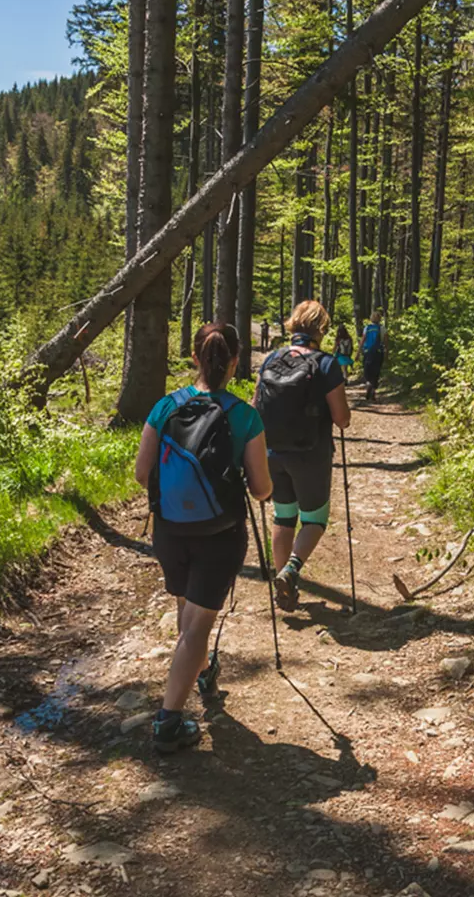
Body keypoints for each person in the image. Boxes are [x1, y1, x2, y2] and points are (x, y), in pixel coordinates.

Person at [135, 322, 272, 753]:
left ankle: (200, 666)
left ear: (194, 358)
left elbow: (142, 474)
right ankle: (168, 721)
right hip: (220, 533)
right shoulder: (244, 416)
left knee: (186, 610)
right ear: (234, 362)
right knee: (197, 625)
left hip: (170, 530)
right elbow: (261, 489)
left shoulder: (164, 407)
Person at [254, 301, 351, 610]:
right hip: (311, 455)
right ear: (321, 329)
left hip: (272, 452)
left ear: (292, 325)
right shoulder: (326, 363)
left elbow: (257, 407)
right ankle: (291, 570)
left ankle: (284, 588)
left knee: (283, 517)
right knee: (314, 521)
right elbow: (342, 418)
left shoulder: (272, 359)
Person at [360, 308, 387, 401]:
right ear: (380, 318)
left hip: (367, 352)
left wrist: (358, 352)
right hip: (378, 352)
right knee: (376, 371)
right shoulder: (382, 328)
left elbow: (362, 341)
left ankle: (368, 384)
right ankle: (373, 391)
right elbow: (386, 341)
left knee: (367, 370)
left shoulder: (367, 328)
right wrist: (387, 352)